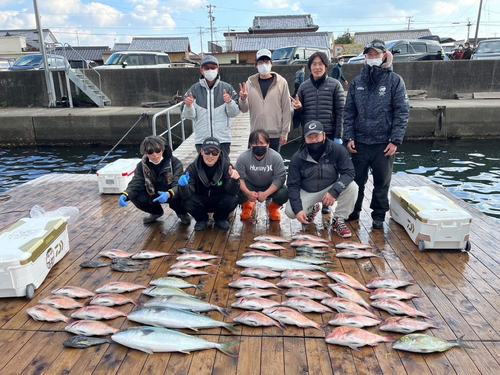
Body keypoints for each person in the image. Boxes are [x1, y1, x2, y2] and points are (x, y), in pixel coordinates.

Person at [344, 39, 410, 230]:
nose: (373, 58)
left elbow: (402, 112)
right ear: (365, 57)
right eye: (369, 54)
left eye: (376, 54)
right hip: (360, 142)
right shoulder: (357, 82)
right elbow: (349, 112)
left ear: (385, 56)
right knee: (356, 182)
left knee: (382, 182)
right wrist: (349, 137)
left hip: (384, 144)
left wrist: (395, 140)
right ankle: (353, 211)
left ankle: (378, 215)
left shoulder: (395, 81)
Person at [291, 51, 346, 214]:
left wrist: (338, 136)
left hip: (328, 134)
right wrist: (298, 109)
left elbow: (341, 112)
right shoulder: (303, 86)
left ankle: (327, 204)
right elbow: (299, 116)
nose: (317, 67)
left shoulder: (335, 85)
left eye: (320, 64)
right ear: (309, 67)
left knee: (329, 170)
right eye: (314, 64)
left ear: (326, 66)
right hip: (309, 136)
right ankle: (313, 202)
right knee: (309, 170)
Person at [286, 121, 358, 238]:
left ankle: (338, 220)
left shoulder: (338, 150)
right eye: (310, 137)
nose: (314, 140)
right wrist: (298, 210)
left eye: (317, 136)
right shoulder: (297, 158)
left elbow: (349, 173)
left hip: (330, 187)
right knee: (291, 212)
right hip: (308, 190)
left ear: (324, 135)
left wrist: (334, 191)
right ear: (305, 138)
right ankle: (312, 208)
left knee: (353, 187)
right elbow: (293, 185)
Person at [118, 136, 190, 225]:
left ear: (163, 149)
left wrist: (169, 194)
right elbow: (137, 182)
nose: (155, 154)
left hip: (170, 192)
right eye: (150, 151)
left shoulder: (175, 163)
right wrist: (126, 194)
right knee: (134, 195)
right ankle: (156, 212)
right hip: (152, 193)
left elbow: (177, 185)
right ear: (145, 153)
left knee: (182, 191)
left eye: (158, 150)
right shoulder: (141, 166)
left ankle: (182, 213)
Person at [182, 55, 239, 160]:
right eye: (207, 68)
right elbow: (189, 116)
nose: (210, 70)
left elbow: (234, 113)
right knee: (204, 168)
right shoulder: (193, 90)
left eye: (213, 67)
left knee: (224, 167)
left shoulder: (227, 88)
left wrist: (229, 102)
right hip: (202, 139)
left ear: (218, 70)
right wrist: (188, 106)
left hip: (222, 139)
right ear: (201, 70)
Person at [178, 137, 240, 231]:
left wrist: (235, 181)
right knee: (186, 202)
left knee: (233, 199)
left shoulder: (227, 166)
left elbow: (231, 192)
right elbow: (186, 195)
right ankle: (201, 219)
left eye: (215, 152)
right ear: (202, 151)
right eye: (207, 152)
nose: (210, 156)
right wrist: (183, 186)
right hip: (201, 200)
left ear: (219, 154)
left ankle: (220, 218)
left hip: (219, 198)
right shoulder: (192, 168)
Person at [239, 49, 291, 152]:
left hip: (275, 134)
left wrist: (284, 132)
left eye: (267, 62)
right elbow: (244, 109)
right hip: (255, 134)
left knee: (273, 165)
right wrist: (243, 99)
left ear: (271, 64)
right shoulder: (249, 83)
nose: (264, 64)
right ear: (256, 65)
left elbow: (287, 109)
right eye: (261, 62)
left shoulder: (281, 82)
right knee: (253, 165)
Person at [236, 129, 288, 221]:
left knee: (284, 192)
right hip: (250, 185)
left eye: (262, 143)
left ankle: (273, 208)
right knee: (235, 187)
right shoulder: (243, 157)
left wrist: (266, 193)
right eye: (255, 143)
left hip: (269, 185)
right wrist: (248, 193)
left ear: (268, 144)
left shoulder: (276, 157)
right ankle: (248, 206)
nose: (258, 146)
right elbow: (239, 178)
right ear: (251, 145)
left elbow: (280, 178)